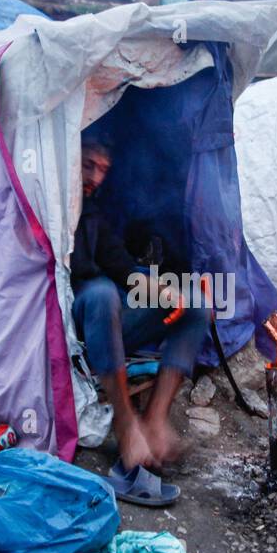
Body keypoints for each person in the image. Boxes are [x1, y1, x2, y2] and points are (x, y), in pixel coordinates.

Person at [70, 139, 208, 479]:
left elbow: (124, 268)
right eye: (89, 165)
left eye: (103, 169)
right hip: (67, 324)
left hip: (105, 325)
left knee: (197, 305)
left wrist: (163, 291)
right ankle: (125, 421)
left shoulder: (92, 216)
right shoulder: (45, 209)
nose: (96, 177)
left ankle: (156, 419)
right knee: (102, 293)